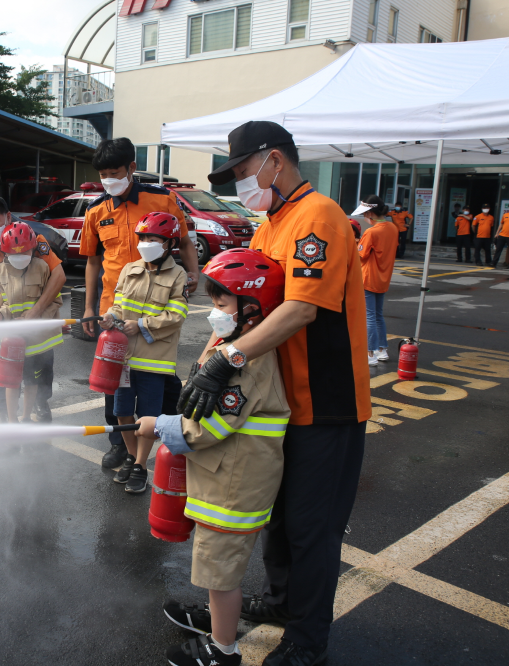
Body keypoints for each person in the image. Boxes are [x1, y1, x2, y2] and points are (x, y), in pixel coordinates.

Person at [180, 120, 371, 666]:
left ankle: (308, 641)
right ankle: (286, 604)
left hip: (327, 402)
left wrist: (228, 359)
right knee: (280, 520)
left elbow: (303, 308)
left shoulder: (319, 218)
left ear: (274, 161)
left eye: (243, 171)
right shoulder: (270, 225)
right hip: (282, 400)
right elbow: (245, 303)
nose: (242, 183)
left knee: (313, 528)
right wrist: (209, 357)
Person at [138, 250, 289, 666]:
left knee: (220, 571)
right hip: (228, 477)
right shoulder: (237, 345)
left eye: (222, 304)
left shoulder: (248, 358)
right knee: (216, 565)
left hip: (235, 484)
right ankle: (219, 623)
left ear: (253, 308)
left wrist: (161, 425)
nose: (214, 312)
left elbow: (212, 426)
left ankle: (222, 651)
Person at [79, 137, 201, 469]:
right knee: (113, 379)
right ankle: (119, 443)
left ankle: (160, 431)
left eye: (115, 172)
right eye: (103, 174)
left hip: (159, 306)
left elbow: (186, 241)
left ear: (132, 168)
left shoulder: (161, 199)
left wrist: (193, 274)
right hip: (114, 307)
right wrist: (91, 309)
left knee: (157, 377)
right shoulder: (96, 211)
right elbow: (92, 262)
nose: (108, 180)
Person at [100, 212, 190, 494]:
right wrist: (109, 317)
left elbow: (176, 315)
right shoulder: (129, 269)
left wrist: (140, 325)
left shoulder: (178, 275)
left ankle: (140, 465)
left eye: (153, 239)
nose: (146, 243)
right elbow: (118, 305)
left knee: (147, 416)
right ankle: (130, 455)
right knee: (122, 413)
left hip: (155, 360)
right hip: (123, 360)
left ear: (169, 244)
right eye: (143, 238)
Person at [0, 196, 65, 422]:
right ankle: (5, 413)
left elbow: (58, 276)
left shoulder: (33, 240)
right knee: (6, 372)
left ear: (7, 216)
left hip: (38, 327)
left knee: (41, 370)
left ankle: (41, 405)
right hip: (12, 328)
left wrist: (36, 312)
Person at [355, 196, 399, 366]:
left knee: (369, 317)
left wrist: (354, 244)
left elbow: (361, 254)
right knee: (378, 315)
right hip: (383, 278)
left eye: (366, 214)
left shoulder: (372, 232)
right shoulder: (393, 228)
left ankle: (370, 353)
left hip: (368, 278)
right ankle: (382, 350)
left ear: (370, 213)